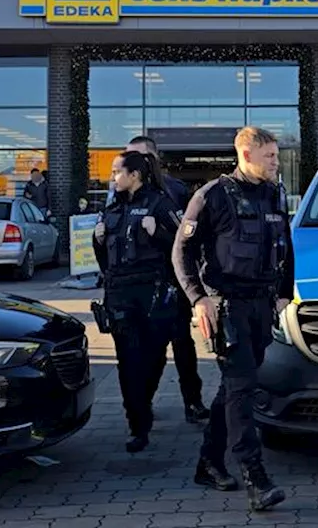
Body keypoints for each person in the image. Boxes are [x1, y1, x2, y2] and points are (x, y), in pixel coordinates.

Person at [174, 126, 293, 512]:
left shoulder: (275, 193)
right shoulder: (213, 196)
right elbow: (182, 252)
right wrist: (198, 299)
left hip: (262, 305)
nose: (276, 162)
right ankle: (254, 476)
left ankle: (209, 462)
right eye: (270, 156)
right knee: (242, 387)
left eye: (276, 155)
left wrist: (282, 296)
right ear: (246, 154)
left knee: (234, 388)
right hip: (227, 307)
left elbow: (285, 247)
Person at [91, 151, 185, 453]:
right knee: (128, 363)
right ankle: (137, 424)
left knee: (154, 357)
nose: (113, 177)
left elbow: (185, 247)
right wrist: (98, 240)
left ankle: (143, 405)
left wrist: (157, 233)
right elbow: (105, 261)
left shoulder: (160, 204)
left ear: (135, 175)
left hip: (153, 294)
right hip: (120, 294)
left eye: (118, 171)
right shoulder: (111, 209)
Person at [113, 135, 208, 424]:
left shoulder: (174, 191)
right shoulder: (121, 195)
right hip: (137, 287)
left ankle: (193, 401)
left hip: (171, 283)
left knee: (181, 344)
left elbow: (187, 238)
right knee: (144, 351)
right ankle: (144, 404)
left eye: (139, 157)